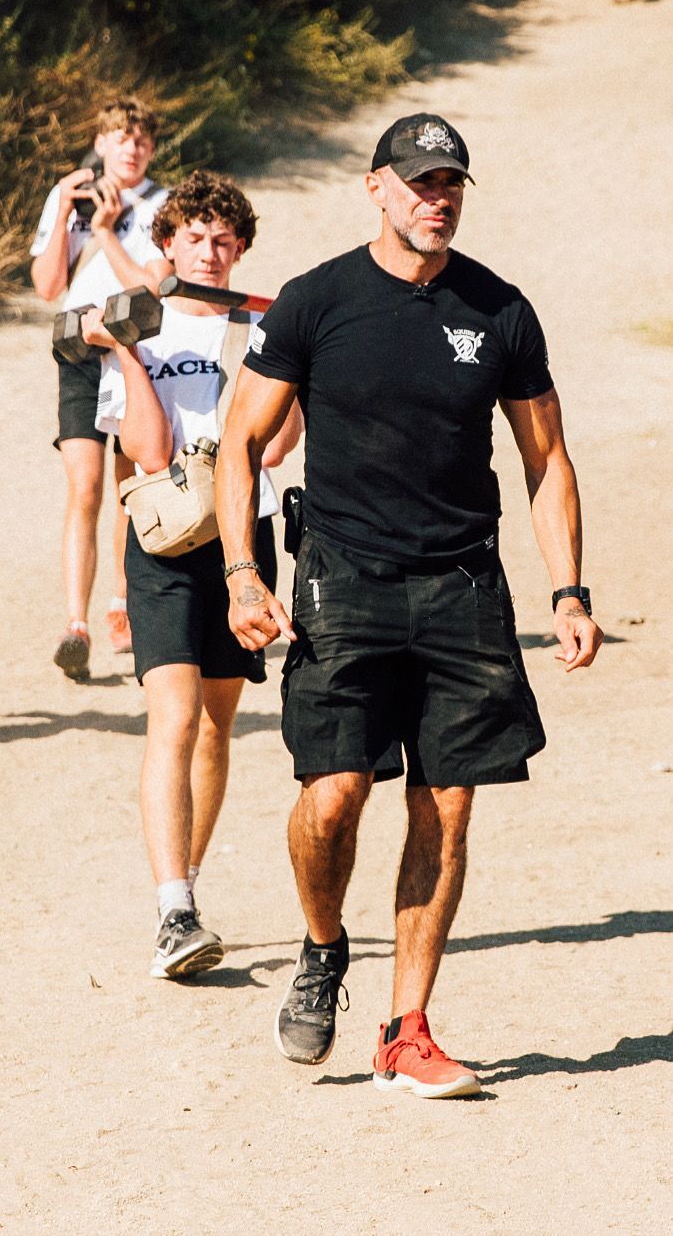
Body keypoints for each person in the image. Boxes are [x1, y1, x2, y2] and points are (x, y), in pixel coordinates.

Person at [216, 113, 602, 1097]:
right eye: (422, 182)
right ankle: (322, 946)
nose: (439, 199)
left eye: (452, 184)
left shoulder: (500, 311)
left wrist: (568, 589)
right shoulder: (316, 303)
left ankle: (408, 1030)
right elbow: (237, 444)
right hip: (341, 581)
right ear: (376, 187)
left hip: (464, 588)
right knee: (333, 796)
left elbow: (546, 458)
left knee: (448, 805)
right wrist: (242, 574)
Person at [83, 171, 301, 979]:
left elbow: (275, 449)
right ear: (165, 246)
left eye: (224, 239)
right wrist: (130, 354)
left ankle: (191, 890)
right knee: (170, 718)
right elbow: (143, 448)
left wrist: (293, 357)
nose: (209, 250)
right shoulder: (137, 325)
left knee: (217, 723)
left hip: (248, 535)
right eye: (194, 237)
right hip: (165, 539)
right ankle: (172, 909)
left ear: (240, 247)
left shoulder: (269, 331)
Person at [30, 97, 170, 680]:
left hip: (137, 346)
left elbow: (153, 287)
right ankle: (75, 624)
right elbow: (46, 286)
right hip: (79, 348)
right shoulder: (71, 196)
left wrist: (109, 232)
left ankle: (122, 604)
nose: (130, 148)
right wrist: (65, 211)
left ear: (152, 148)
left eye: (140, 139)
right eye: (119, 137)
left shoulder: (166, 205)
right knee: (83, 485)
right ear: (101, 140)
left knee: (129, 485)